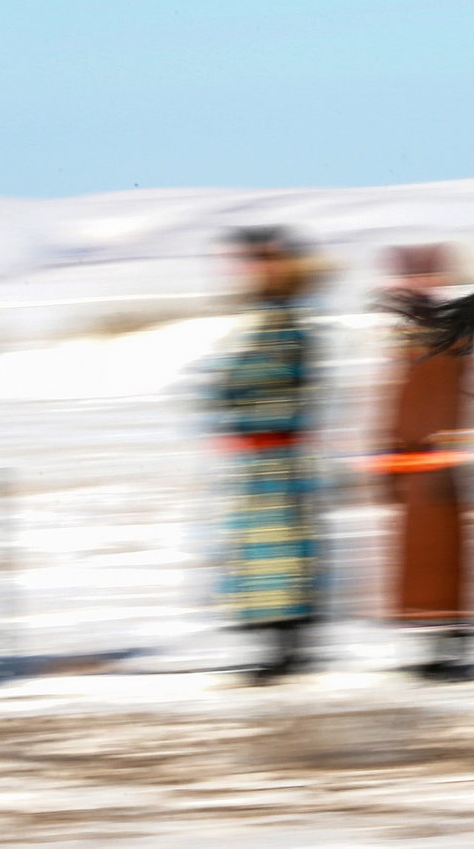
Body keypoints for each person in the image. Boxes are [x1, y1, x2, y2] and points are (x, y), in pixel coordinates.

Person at [209, 226, 322, 683]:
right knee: (264, 554)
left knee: (280, 554)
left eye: (261, 262)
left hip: (278, 455)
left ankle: (287, 650)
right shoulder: (264, 318)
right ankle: (279, 647)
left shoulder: (286, 320)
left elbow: (264, 375)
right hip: (260, 458)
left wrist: (234, 390)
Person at [376, 244, 474, 680]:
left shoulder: (453, 331)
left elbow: (458, 394)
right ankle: (436, 646)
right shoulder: (410, 335)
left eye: (423, 277)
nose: (415, 287)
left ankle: (453, 649)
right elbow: (397, 397)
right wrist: (387, 447)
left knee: (444, 561)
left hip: (441, 466)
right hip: (414, 466)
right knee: (421, 564)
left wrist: (447, 446)